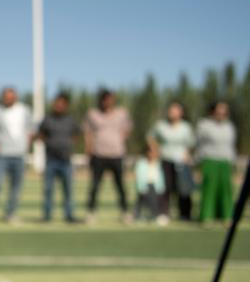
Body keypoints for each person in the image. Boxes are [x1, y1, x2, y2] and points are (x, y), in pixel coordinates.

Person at [0, 86, 33, 223]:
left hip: (20, 155)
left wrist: (27, 142)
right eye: (6, 97)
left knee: (16, 187)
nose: (8, 99)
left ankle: (11, 214)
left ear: (16, 97)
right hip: (3, 154)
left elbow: (32, 128)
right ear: (3, 98)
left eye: (11, 97)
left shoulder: (24, 110)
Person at [83, 89, 133, 224]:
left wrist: (119, 142)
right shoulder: (92, 114)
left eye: (110, 99)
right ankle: (91, 212)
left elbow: (127, 130)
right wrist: (88, 151)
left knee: (120, 185)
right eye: (105, 99)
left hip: (117, 154)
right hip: (98, 154)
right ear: (101, 100)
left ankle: (125, 212)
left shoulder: (122, 113)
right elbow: (87, 133)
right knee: (95, 185)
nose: (108, 102)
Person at [147, 102, 196, 221]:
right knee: (165, 187)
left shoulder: (186, 127)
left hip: (181, 161)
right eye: (171, 110)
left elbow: (191, 143)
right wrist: (155, 150)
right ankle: (163, 213)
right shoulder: (161, 125)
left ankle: (185, 213)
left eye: (176, 111)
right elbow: (150, 137)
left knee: (183, 188)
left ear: (181, 113)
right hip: (165, 159)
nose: (173, 113)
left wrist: (187, 154)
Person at [37, 92, 80, 223]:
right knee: (48, 189)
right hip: (51, 160)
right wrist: (49, 143)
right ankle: (47, 215)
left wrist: (69, 144)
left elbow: (77, 133)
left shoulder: (71, 120)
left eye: (62, 103)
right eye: (57, 103)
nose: (59, 106)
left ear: (66, 105)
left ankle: (69, 215)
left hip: (66, 160)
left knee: (68, 190)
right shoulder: (47, 119)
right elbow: (41, 134)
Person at [195, 101, 236, 223]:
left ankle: (227, 216)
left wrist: (233, 162)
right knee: (209, 189)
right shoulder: (204, 125)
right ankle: (207, 216)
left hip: (225, 161)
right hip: (209, 160)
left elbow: (231, 145)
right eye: (219, 110)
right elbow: (199, 144)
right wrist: (198, 164)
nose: (221, 113)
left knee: (226, 189)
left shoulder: (230, 126)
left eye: (224, 111)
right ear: (212, 111)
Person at [133, 144, 166, 224]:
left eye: (155, 152)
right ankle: (137, 215)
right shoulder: (141, 163)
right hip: (145, 185)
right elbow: (139, 176)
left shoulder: (158, 163)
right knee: (141, 201)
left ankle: (154, 216)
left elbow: (160, 177)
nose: (153, 154)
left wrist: (161, 187)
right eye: (151, 151)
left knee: (154, 201)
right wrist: (141, 187)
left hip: (155, 186)